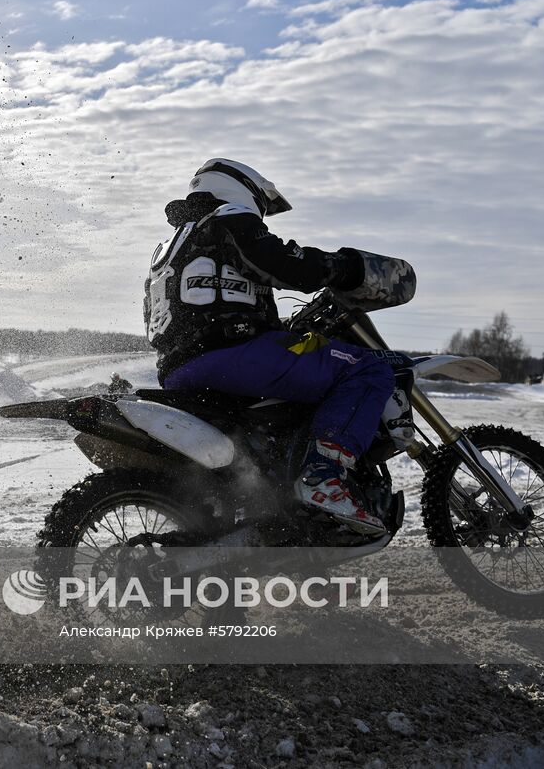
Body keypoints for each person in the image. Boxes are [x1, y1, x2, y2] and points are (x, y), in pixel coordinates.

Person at [143, 158, 394, 535]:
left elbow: (210, 300)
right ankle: (323, 476)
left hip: (180, 369)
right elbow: (286, 266)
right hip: (230, 355)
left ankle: (268, 504)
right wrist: (346, 268)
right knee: (368, 367)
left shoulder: (171, 246)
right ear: (241, 190)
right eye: (260, 204)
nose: (260, 216)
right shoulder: (227, 220)